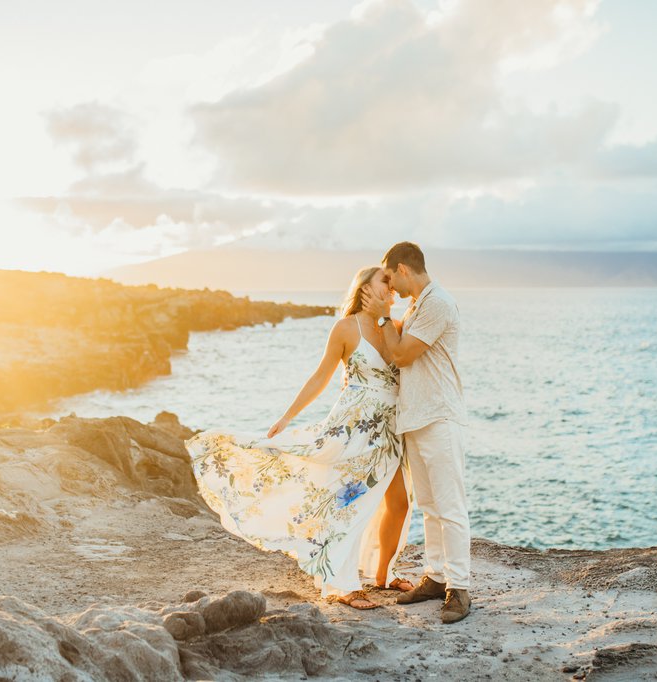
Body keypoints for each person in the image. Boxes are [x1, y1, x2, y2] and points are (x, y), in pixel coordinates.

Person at [186, 266, 414, 610]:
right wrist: (287, 416)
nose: (392, 285)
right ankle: (344, 585)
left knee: (399, 504)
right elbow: (321, 377)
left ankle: (383, 575)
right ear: (364, 287)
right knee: (351, 507)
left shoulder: (394, 327)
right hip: (354, 428)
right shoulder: (345, 328)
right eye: (384, 280)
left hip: (389, 430)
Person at [362, 241, 472, 624]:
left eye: (390, 278)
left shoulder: (438, 302)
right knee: (428, 505)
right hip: (416, 418)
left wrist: (379, 318)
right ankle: (437, 576)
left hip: (439, 417)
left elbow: (403, 354)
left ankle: (459, 589)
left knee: (450, 506)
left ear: (404, 269)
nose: (390, 287)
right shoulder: (416, 305)